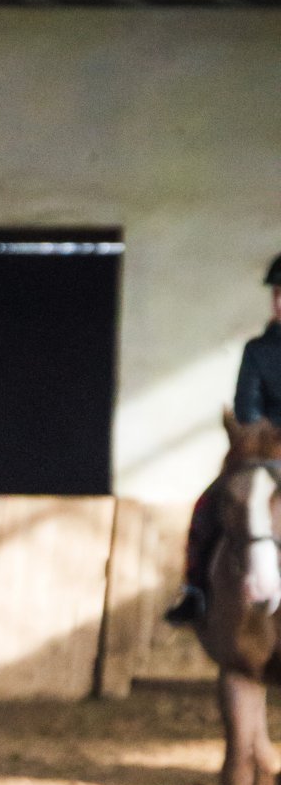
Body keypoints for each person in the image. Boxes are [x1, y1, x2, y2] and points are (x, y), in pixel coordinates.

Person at [166, 253, 281, 626]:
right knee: (208, 504)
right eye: (277, 294)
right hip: (265, 453)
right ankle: (195, 589)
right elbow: (245, 408)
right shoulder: (257, 351)